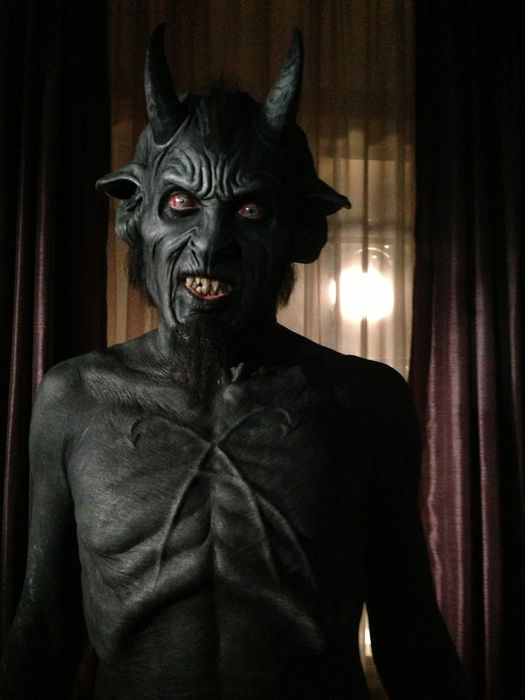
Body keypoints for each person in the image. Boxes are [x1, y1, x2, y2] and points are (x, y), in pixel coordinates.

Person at [0, 26, 469, 699]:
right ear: (134, 216)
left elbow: (409, 632)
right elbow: (45, 630)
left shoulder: (363, 401)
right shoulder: (75, 398)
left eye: (248, 209)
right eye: (182, 205)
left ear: (301, 230)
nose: (211, 241)